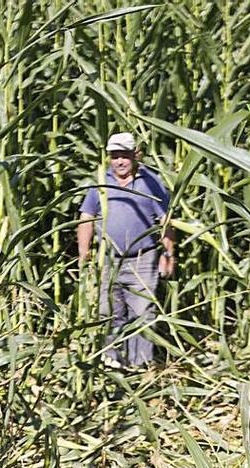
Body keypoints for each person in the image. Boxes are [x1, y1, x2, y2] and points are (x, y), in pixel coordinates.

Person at [77, 131, 175, 369]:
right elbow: (87, 217)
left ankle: (140, 367)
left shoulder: (151, 183)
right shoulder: (100, 182)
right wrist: (84, 253)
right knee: (109, 312)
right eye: (114, 155)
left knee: (142, 314)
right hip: (108, 260)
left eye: (125, 155)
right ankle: (113, 364)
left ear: (136, 155)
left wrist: (168, 255)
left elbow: (166, 221)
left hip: (143, 259)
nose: (119, 161)